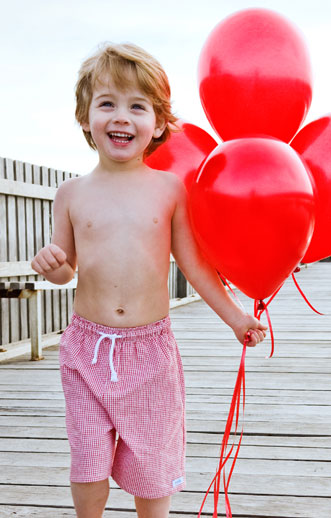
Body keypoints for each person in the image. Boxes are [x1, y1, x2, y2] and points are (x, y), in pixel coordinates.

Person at [31, 42, 267, 518]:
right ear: (84, 116)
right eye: (107, 103)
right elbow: (67, 271)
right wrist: (52, 264)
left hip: (150, 352)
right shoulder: (72, 194)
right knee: (88, 463)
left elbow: (194, 265)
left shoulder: (168, 189)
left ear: (157, 124)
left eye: (137, 106)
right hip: (87, 348)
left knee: (152, 466)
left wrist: (236, 317)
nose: (122, 116)